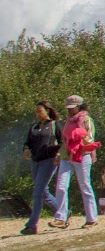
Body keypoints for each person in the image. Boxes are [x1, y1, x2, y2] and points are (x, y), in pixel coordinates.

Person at [49, 99, 101, 229]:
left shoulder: (86, 119)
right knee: (61, 186)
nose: (70, 110)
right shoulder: (68, 121)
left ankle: (91, 218)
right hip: (67, 157)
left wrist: (79, 136)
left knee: (85, 186)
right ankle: (61, 218)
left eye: (72, 107)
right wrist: (59, 155)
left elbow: (90, 139)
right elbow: (65, 141)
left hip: (82, 156)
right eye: (68, 107)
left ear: (79, 106)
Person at [20, 101, 61, 235]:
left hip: (49, 161)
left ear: (47, 111)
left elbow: (62, 143)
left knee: (37, 193)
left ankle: (32, 225)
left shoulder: (55, 125)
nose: (37, 114)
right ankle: (63, 211)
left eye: (40, 111)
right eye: (36, 111)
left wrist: (58, 154)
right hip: (35, 161)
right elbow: (28, 143)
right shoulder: (34, 127)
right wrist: (26, 150)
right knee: (44, 193)